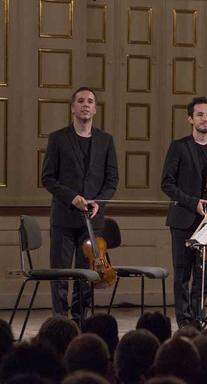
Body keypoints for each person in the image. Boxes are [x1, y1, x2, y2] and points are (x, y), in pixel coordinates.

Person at [41, 87, 118, 324]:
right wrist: (72, 197)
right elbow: (48, 178)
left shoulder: (106, 140)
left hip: (92, 220)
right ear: (73, 107)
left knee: (87, 275)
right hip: (64, 218)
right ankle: (61, 322)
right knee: (61, 275)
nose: (86, 105)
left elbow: (111, 179)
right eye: (81, 101)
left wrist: (99, 202)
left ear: (95, 109)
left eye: (90, 101)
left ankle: (80, 321)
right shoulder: (58, 138)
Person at [161, 96, 207, 327]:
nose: (205, 119)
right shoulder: (179, 147)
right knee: (182, 274)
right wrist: (193, 202)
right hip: (183, 219)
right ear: (190, 119)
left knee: (204, 274)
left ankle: (198, 317)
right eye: (200, 114)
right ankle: (184, 322)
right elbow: (167, 183)